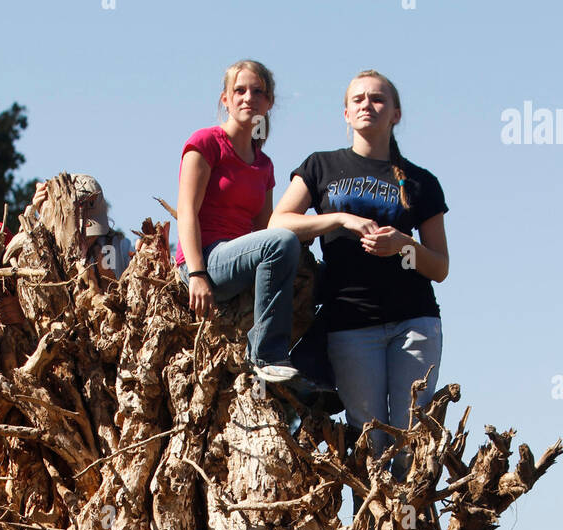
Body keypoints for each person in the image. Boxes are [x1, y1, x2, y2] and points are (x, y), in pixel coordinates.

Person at [270, 69, 449, 469]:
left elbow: (439, 266)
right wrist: (338, 220)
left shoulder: (421, 182)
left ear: (396, 114)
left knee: (412, 441)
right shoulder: (321, 166)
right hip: (350, 324)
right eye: (358, 99)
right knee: (369, 441)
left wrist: (403, 245)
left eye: (378, 99)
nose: (367, 104)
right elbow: (278, 222)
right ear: (346, 114)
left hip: (414, 322)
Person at [175, 59, 301, 383]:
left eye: (257, 92)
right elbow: (186, 211)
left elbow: (263, 230)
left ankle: (308, 374)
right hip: (205, 258)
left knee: (292, 248)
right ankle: (265, 355)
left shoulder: (264, 166)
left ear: (269, 102)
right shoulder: (206, 143)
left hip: (239, 261)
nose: (248, 98)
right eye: (240, 90)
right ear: (225, 99)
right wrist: (197, 273)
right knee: (283, 240)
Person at [30, 176, 132, 283]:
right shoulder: (46, 250)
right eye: (77, 234)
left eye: (91, 234)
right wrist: (38, 217)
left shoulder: (119, 248)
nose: (84, 239)